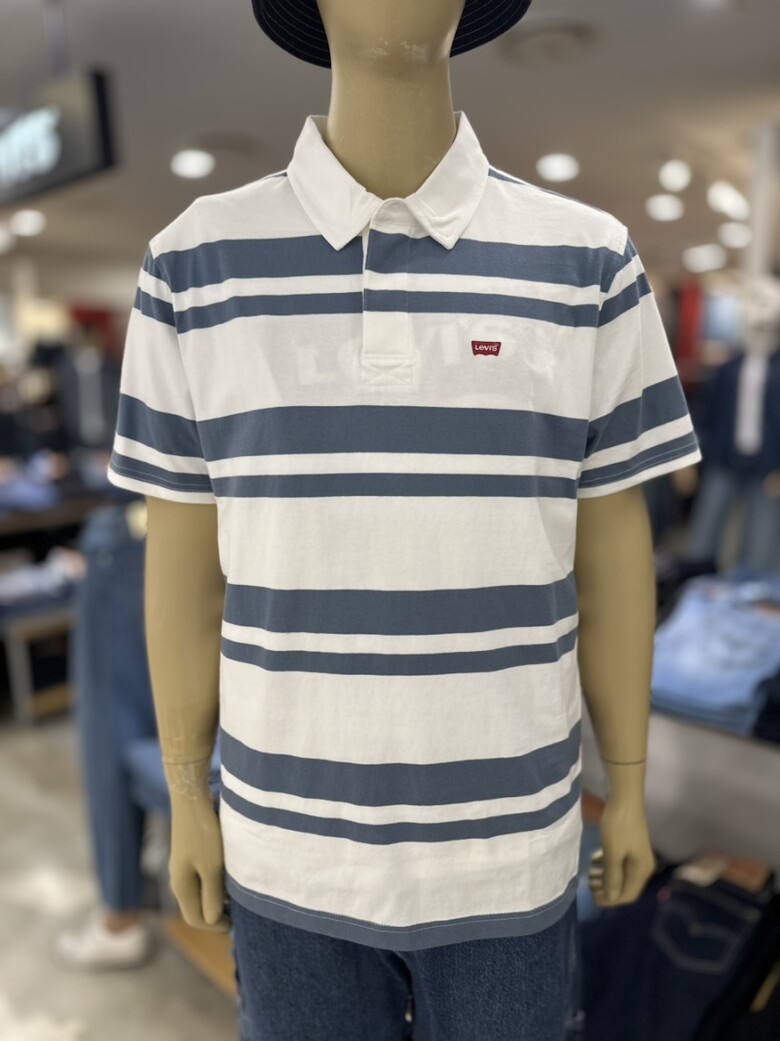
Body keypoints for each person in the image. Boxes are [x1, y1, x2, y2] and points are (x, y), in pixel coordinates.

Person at [105, 0, 702, 1036]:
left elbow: (614, 550)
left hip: (511, 847)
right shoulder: (194, 264)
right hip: (283, 849)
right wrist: (189, 796)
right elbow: (184, 572)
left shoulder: (588, 259)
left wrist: (632, 787)